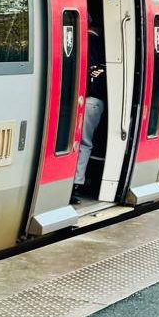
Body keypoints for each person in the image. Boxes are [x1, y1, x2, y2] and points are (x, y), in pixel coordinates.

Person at [73, 15, 106, 202]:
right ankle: (76, 183)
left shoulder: (78, 39)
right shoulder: (97, 42)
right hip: (93, 100)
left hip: (75, 99)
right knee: (85, 143)